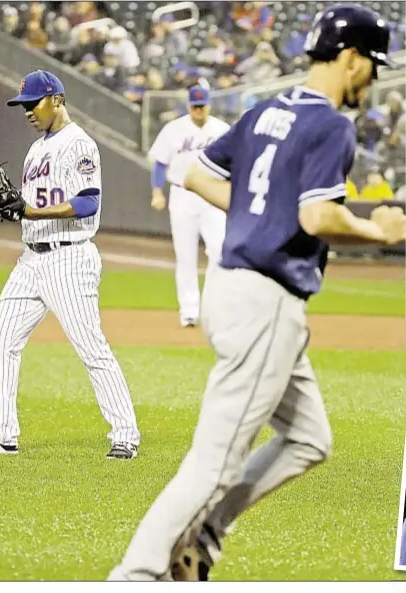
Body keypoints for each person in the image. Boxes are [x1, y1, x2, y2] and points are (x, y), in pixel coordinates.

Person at [108, 4, 404, 581]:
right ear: (349, 58)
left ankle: (203, 540)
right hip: (265, 299)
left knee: (308, 438)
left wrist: (259, 214)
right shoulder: (331, 125)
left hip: (231, 287)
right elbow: (318, 216)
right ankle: (137, 575)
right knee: (215, 461)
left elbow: (192, 174)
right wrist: (379, 230)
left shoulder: (268, 110)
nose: (373, 76)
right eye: (372, 62)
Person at [0, 70, 141, 460]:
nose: (27, 112)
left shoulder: (79, 144)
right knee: (1, 338)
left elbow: (88, 202)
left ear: (56, 99)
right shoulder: (37, 149)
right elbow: (29, 204)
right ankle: (0, 435)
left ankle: (125, 434)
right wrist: (17, 209)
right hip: (31, 261)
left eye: (33, 103)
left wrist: (32, 211)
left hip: (69, 258)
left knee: (91, 347)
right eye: (23, 106)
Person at [148, 85, 230, 327]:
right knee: (185, 256)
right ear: (188, 106)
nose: (199, 110)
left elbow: (233, 164)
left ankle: (213, 307)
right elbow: (160, 164)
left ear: (209, 104)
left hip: (213, 196)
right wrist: (156, 192)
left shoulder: (222, 130)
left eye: (202, 105)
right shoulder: (173, 129)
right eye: (194, 106)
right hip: (182, 194)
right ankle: (189, 311)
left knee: (218, 251)